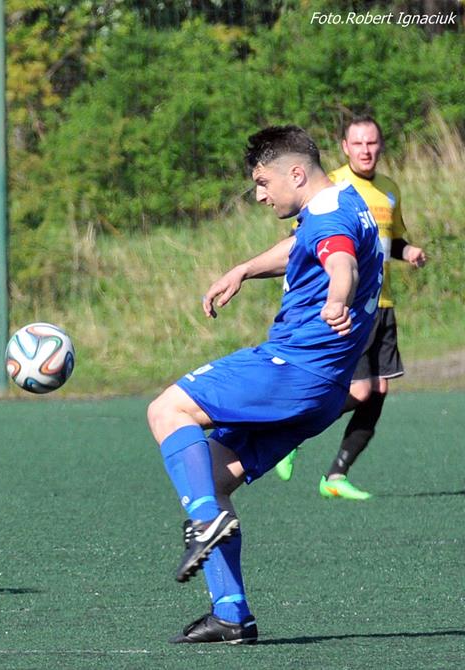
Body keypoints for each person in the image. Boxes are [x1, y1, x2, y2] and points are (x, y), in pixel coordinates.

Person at [145, 125, 383, 644]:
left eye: (261, 182)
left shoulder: (331, 217)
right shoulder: (345, 199)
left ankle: (204, 524)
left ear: (295, 173)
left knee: (166, 410)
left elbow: (339, 260)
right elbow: (306, 245)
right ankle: (231, 614)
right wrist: (244, 269)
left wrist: (337, 298)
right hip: (322, 390)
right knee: (211, 477)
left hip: (292, 370)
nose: (258, 195)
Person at [274, 116, 427, 499]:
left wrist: (407, 251)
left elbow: (385, 241)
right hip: (349, 305)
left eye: (372, 143)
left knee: (378, 389)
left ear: (380, 145)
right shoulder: (333, 187)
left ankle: (336, 476)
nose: (365, 150)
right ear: (345, 147)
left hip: (382, 303)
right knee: (359, 390)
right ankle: (289, 433)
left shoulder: (389, 189)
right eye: (358, 143)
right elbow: (305, 241)